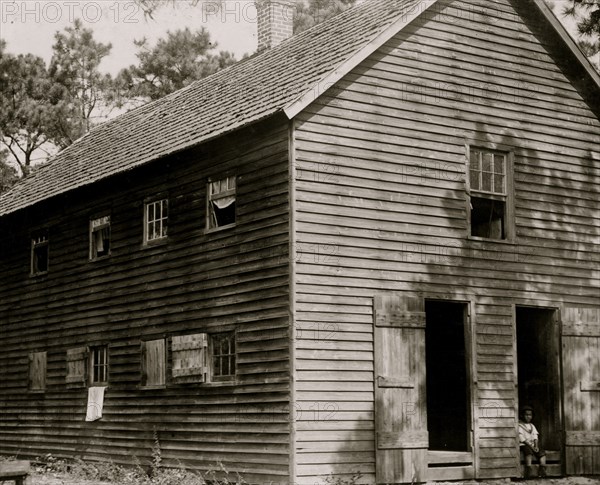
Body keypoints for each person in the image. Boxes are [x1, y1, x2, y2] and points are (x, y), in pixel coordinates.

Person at [519, 405, 547, 478]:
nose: (528, 417)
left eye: (530, 415)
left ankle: (542, 469)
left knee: (541, 452)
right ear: (522, 415)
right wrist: (531, 447)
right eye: (526, 415)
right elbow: (521, 438)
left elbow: (535, 436)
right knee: (528, 452)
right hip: (524, 444)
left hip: (532, 444)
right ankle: (528, 470)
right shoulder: (519, 425)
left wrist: (536, 445)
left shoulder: (532, 425)